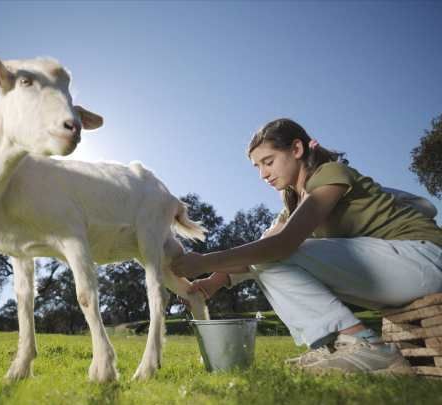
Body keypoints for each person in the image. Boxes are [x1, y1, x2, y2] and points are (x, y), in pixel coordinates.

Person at [171, 118, 442, 374]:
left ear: (297, 149)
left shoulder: (330, 174)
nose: (264, 174)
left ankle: (365, 345)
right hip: (395, 273)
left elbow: (281, 247)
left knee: (277, 251)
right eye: (258, 167)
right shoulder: (294, 206)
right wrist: (213, 282)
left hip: (425, 259)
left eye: (269, 162)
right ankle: (338, 344)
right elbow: (264, 250)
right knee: (268, 251)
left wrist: (204, 260)